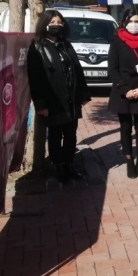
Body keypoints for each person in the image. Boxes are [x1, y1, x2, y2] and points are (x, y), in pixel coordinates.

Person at [27, 10, 91, 182]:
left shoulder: (65, 45)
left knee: (71, 135)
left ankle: (69, 165)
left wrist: (83, 93)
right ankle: (59, 167)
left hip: (71, 99)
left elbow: (77, 69)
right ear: (45, 24)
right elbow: (35, 78)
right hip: (53, 100)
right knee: (55, 136)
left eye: (59, 22)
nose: (57, 25)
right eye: (52, 22)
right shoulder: (37, 47)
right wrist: (41, 105)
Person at [107, 9, 138, 179]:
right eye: (131, 21)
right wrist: (124, 89)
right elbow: (112, 69)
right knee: (126, 128)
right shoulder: (117, 41)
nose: (134, 25)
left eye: (137, 21)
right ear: (125, 23)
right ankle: (129, 162)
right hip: (124, 90)